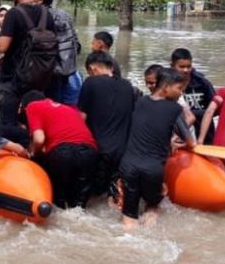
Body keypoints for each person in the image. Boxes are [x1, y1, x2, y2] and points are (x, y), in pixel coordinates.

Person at [117, 67, 197, 227]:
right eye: (179, 88)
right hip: (152, 169)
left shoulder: (139, 102)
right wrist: (176, 143)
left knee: (129, 214)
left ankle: (127, 238)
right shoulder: (174, 109)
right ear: (166, 87)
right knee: (152, 206)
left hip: (128, 166)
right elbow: (190, 142)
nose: (181, 93)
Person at [0, 0, 57, 128]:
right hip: (39, 77)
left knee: (8, 123)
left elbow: (3, 47)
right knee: (33, 121)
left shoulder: (14, 14)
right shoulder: (46, 13)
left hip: (13, 78)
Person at [20, 91, 98, 209]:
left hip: (64, 152)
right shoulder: (69, 109)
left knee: (57, 204)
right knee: (78, 207)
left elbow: (39, 139)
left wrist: (33, 154)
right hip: (90, 153)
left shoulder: (33, 106)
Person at [79, 51, 138, 198]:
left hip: (99, 149)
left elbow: (81, 118)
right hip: (123, 152)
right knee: (113, 194)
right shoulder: (127, 85)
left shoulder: (90, 82)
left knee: (93, 195)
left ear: (92, 68)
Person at [34, 0, 82, 106]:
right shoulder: (64, 14)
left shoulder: (41, 16)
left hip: (51, 70)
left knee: (52, 103)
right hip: (68, 67)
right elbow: (76, 42)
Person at [171, 47, 216, 143]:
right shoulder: (167, 85)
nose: (186, 70)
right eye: (181, 67)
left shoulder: (202, 83)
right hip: (177, 136)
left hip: (203, 136)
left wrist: (194, 113)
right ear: (172, 66)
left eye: (188, 66)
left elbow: (215, 109)